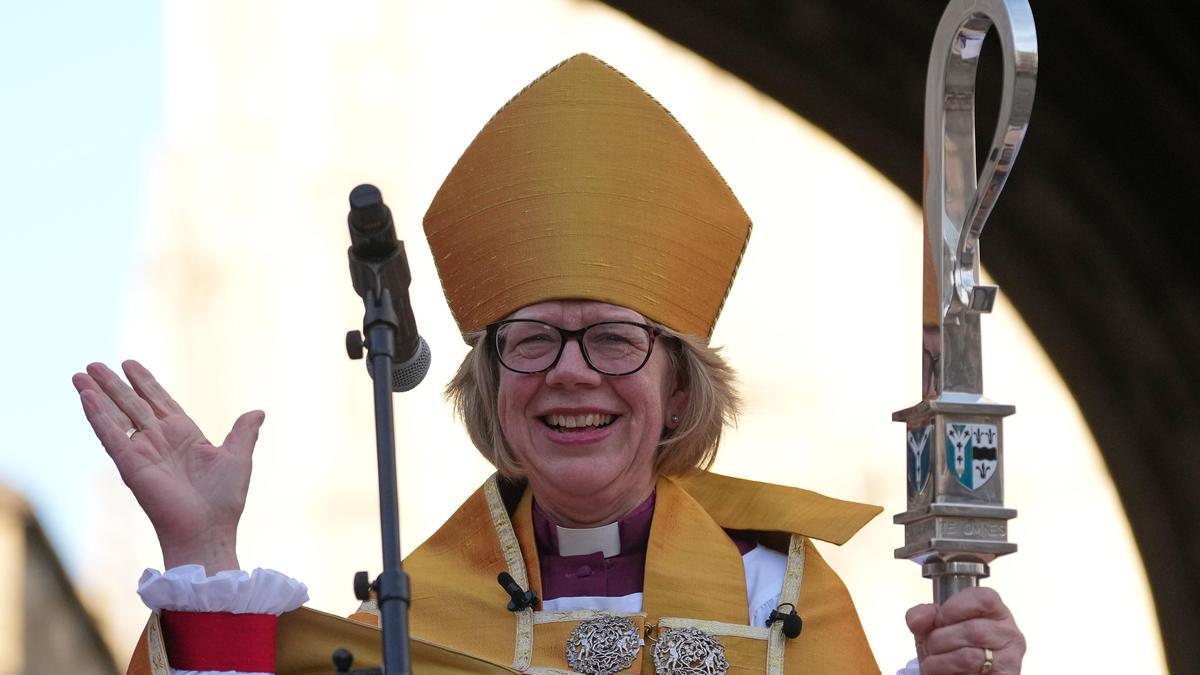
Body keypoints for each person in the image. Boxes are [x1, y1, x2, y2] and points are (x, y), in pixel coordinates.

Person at [75, 54, 1025, 675]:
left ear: (679, 385)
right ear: (491, 385)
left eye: (615, 338)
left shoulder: (777, 598)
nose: (572, 373)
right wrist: (202, 553)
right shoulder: (408, 626)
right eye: (531, 340)